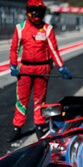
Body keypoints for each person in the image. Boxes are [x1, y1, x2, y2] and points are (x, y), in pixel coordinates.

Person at [8, 0, 72, 142]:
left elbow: (53, 50)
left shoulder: (47, 29)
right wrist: (13, 65)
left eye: (39, 11)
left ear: (43, 13)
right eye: (34, 10)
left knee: (40, 99)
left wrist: (61, 66)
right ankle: (17, 128)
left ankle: (39, 125)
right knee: (22, 99)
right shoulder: (20, 27)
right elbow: (14, 48)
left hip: (43, 68)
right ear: (28, 11)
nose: (36, 14)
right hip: (25, 68)